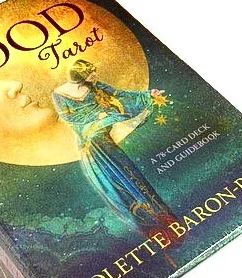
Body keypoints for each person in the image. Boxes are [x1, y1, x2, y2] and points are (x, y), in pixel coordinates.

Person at [52, 60, 180, 248]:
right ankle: (149, 224)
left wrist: (148, 95)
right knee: (117, 181)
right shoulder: (59, 94)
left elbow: (120, 94)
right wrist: (96, 116)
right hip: (91, 140)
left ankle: (161, 218)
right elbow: (69, 118)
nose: (94, 76)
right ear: (80, 75)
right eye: (90, 73)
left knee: (130, 173)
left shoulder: (94, 85)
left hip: (104, 130)